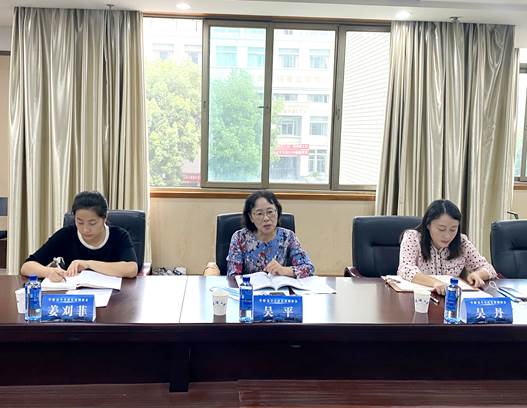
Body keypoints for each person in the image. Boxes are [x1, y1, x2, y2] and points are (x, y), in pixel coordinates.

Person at [21, 191, 138, 281]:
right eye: (80, 222)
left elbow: (131, 269)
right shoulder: (66, 235)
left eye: (92, 223)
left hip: (114, 297)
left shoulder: (118, 235)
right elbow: (26, 267)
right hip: (74, 296)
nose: (85, 229)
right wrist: (48, 272)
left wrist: (87, 264)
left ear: (104, 218)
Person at [397, 199, 497, 295]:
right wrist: (435, 283)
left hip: (449, 299)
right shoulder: (413, 238)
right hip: (417, 298)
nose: (447, 236)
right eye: (441, 229)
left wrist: (478, 274)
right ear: (428, 225)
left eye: (453, 229)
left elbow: (488, 268)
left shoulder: (462, 242)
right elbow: (406, 269)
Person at [226, 190, 314, 278]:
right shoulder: (240, 237)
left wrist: (284, 270)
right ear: (251, 217)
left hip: (279, 286)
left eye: (270, 212)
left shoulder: (288, 236)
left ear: (277, 212)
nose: (266, 218)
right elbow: (232, 275)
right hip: (250, 286)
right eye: (259, 213)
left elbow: (309, 268)